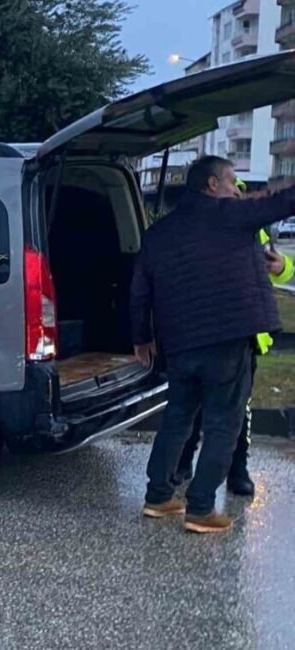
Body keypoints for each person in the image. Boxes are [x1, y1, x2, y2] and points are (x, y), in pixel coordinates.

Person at [131, 156, 295, 534]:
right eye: (231, 181)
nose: (236, 189)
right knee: (224, 423)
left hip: (180, 344)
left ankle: (158, 497)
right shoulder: (229, 215)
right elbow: (283, 202)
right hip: (227, 341)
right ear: (211, 185)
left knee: (178, 418)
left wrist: (141, 338)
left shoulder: (159, 232)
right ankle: (201, 508)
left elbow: (139, 290)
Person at [173, 178, 295, 497]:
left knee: (240, 410)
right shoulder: (204, 226)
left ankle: (238, 470)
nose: (237, 197)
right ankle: (183, 464)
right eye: (232, 190)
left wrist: (281, 266)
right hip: (207, 329)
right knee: (194, 405)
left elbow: (280, 269)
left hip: (247, 335)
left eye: (241, 193)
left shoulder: (256, 228)